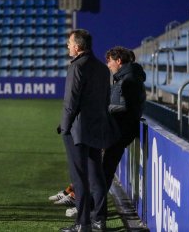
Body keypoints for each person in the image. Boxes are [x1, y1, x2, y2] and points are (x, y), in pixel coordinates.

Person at [58, 29, 114, 232]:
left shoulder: (76, 66)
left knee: (79, 177)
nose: (68, 46)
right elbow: (106, 100)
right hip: (96, 127)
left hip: (78, 130)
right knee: (96, 175)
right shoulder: (102, 68)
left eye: (69, 43)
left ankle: (82, 224)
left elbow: (70, 102)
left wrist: (64, 126)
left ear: (78, 46)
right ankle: (99, 219)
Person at [102, 46, 146, 196]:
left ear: (118, 61)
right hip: (118, 129)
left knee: (105, 170)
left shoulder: (130, 79)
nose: (108, 65)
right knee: (103, 169)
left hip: (121, 131)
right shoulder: (126, 76)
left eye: (109, 61)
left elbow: (125, 107)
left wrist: (105, 109)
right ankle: (89, 203)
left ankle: (93, 207)